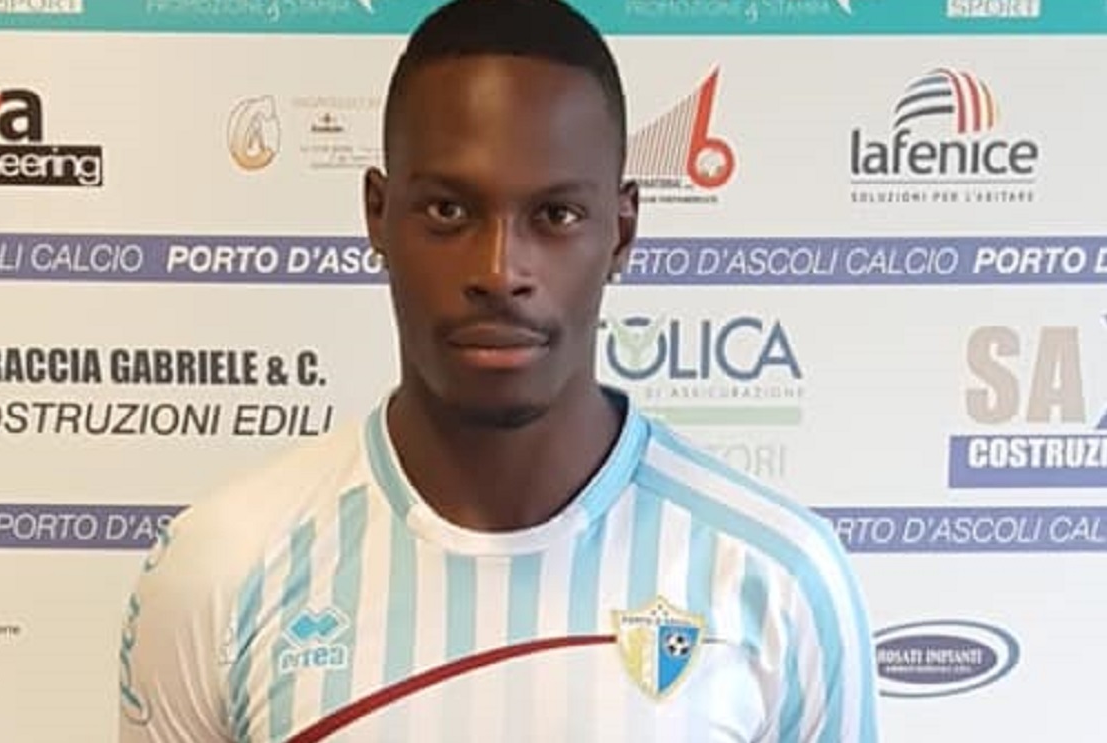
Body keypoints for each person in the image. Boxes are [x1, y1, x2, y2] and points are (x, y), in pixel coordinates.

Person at [117, 1, 880, 741]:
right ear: (377, 213)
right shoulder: (222, 566)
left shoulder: (775, 575)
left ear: (622, 231)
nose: (500, 269)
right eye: (449, 211)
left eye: (556, 215)